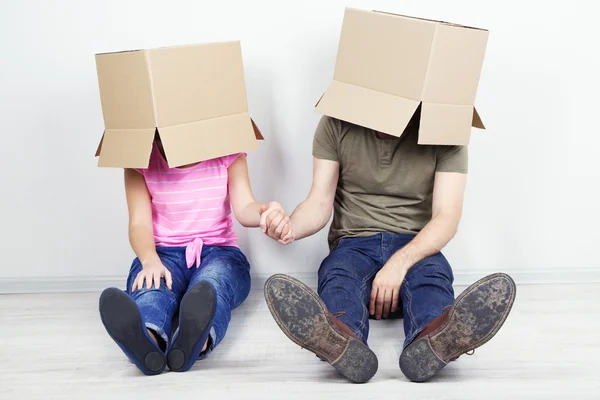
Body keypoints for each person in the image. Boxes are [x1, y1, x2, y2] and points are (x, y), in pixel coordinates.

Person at [260, 112, 516, 383]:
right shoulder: (336, 123)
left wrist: (399, 262)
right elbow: (319, 201)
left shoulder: (446, 127)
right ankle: (340, 340)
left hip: (416, 243)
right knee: (338, 276)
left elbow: (447, 216)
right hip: (353, 243)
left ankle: (435, 340)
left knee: (431, 278)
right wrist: (291, 226)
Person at [99, 136, 283, 375]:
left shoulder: (227, 150)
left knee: (213, 284)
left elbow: (244, 207)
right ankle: (147, 342)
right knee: (152, 288)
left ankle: (195, 341)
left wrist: (263, 212)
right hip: (162, 254)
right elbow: (139, 224)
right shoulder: (141, 158)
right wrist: (149, 260)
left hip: (219, 252)